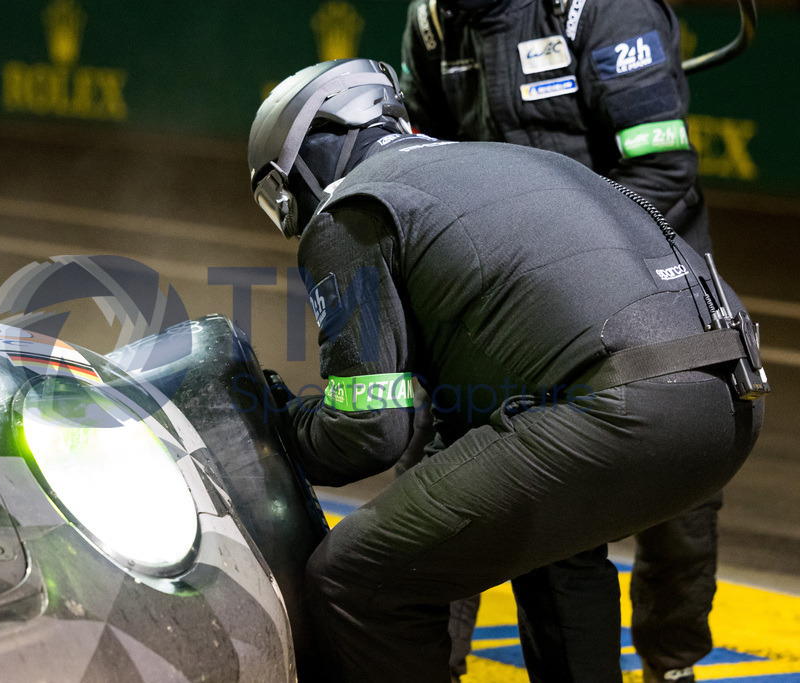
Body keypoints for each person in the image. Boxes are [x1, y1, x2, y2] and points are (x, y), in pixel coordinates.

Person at [247, 58, 765, 682]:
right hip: (733, 400)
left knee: (355, 578)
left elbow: (367, 434)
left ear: (292, 174)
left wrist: (271, 426)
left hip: (624, 406)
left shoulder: (351, 209)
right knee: (554, 552)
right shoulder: (503, 163)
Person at [399, 1, 719, 680]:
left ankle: (672, 665)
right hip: (516, 296)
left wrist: (552, 263)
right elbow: (422, 163)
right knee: (443, 480)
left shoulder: (606, 9)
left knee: (676, 503)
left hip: (654, 287)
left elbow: (664, 174)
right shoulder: (432, 19)